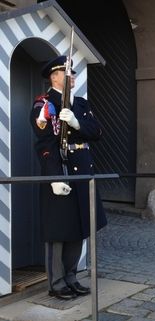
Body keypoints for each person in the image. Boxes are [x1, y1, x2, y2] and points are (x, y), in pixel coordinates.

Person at [30, 55, 107, 300]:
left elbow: (97, 131)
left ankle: (72, 276)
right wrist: (53, 177)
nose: (72, 75)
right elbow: (43, 142)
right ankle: (57, 282)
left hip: (83, 168)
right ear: (54, 77)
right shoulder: (44, 104)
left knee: (79, 224)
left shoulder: (81, 104)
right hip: (60, 168)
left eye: (72, 72)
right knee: (59, 229)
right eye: (66, 72)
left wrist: (75, 123)